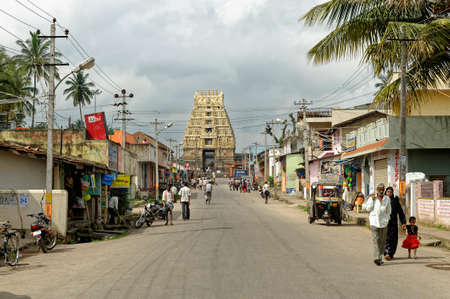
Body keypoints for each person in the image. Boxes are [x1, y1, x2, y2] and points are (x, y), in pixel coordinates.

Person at [363, 183, 391, 266]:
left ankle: (380, 257)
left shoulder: (387, 199)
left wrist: (387, 219)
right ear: (377, 190)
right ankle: (376, 258)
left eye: (382, 189)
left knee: (382, 241)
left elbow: (389, 210)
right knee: (376, 240)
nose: (381, 191)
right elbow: (367, 209)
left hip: (384, 223)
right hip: (374, 222)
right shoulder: (372, 198)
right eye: (379, 189)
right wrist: (371, 200)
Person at [384, 186, 406, 260]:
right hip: (384, 223)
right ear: (385, 193)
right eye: (388, 192)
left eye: (391, 192)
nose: (389, 193)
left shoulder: (395, 201)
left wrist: (403, 223)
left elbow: (401, 213)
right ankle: (386, 253)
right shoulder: (382, 201)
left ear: (392, 193)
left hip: (393, 224)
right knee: (386, 238)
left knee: (393, 239)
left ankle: (390, 253)